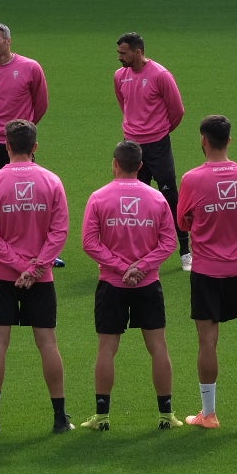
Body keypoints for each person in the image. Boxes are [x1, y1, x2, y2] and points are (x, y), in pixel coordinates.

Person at [175, 114, 237, 428]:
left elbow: (182, 221)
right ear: (229, 140)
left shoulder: (192, 179)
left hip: (207, 271)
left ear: (203, 140)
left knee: (208, 342)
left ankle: (209, 414)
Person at [0, 118, 71, 435]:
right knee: (48, 344)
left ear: (6, 146)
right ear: (35, 147)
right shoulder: (52, 182)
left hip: (3, 276)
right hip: (40, 278)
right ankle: (60, 419)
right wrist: (35, 267)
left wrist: (18, 266)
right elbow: (59, 233)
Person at [79, 141, 181, 431]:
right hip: (148, 284)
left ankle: (101, 416)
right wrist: (141, 267)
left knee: (106, 349)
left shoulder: (99, 197)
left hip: (111, 284)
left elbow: (90, 243)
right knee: (158, 348)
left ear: (114, 164)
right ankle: (166, 415)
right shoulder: (157, 199)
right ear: (140, 166)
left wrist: (122, 268)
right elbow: (169, 242)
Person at [114, 32, 188, 269]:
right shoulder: (120, 76)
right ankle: (138, 251)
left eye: (123, 53)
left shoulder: (160, 75)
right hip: (131, 147)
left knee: (170, 196)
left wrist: (158, 131)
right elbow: (124, 105)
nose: (120, 57)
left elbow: (177, 110)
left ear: (137, 52)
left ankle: (185, 250)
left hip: (157, 146)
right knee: (136, 199)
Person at [0, 23, 49, 182]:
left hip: (20, 139)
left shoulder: (31, 67)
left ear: (8, 41)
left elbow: (41, 103)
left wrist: (24, 127)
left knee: (24, 186)